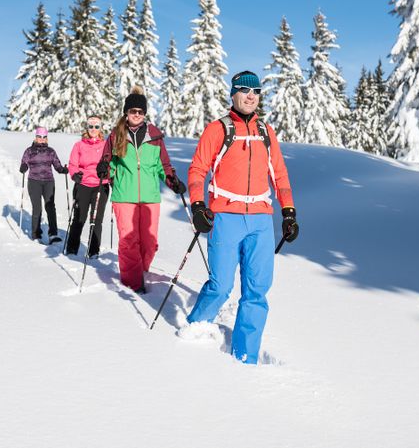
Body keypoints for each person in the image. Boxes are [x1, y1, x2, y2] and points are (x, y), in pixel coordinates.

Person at [183, 70, 299, 364]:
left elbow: (280, 176)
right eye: (245, 90)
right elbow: (197, 170)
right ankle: (194, 330)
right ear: (233, 93)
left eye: (256, 91)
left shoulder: (266, 132)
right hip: (225, 217)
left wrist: (288, 212)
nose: (251, 95)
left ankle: (245, 356)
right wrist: (198, 206)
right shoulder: (218, 130)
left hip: (260, 220)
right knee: (220, 285)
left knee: (257, 291)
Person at [97, 86, 185, 293]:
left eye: (140, 111)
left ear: (144, 114)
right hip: (123, 196)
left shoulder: (155, 137)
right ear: (126, 113)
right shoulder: (116, 136)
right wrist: (104, 169)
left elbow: (163, 165)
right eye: (132, 111)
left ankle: (140, 269)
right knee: (129, 241)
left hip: (150, 197)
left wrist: (172, 181)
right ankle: (132, 282)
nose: (136, 115)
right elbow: (108, 162)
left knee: (150, 242)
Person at [65, 115, 110, 257]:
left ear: (100, 128)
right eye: (91, 126)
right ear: (87, 127)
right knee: (79, 218)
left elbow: (112, 163)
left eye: (97, 126)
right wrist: (74, 174)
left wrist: (109, 174)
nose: (93, 129)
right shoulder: (79, 145)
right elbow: (73, 164)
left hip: (100, 185)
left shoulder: (106, 145)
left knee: (96, 220)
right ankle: (72, 250)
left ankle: (93, 251)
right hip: (83, 184)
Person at [19, 126, 68, 243]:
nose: (42, 139)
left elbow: (57, 165)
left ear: (47, 138)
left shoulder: (51, 151)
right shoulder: (29, 151)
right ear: (36, 137)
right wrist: (23, 167)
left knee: (50, 207)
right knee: (37, 208)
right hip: (34, 181)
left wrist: (62, 170)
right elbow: (24, 162)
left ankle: (53, 234)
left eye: (44, 137)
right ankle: (36, 233)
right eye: (39, 137)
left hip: (48, 182)